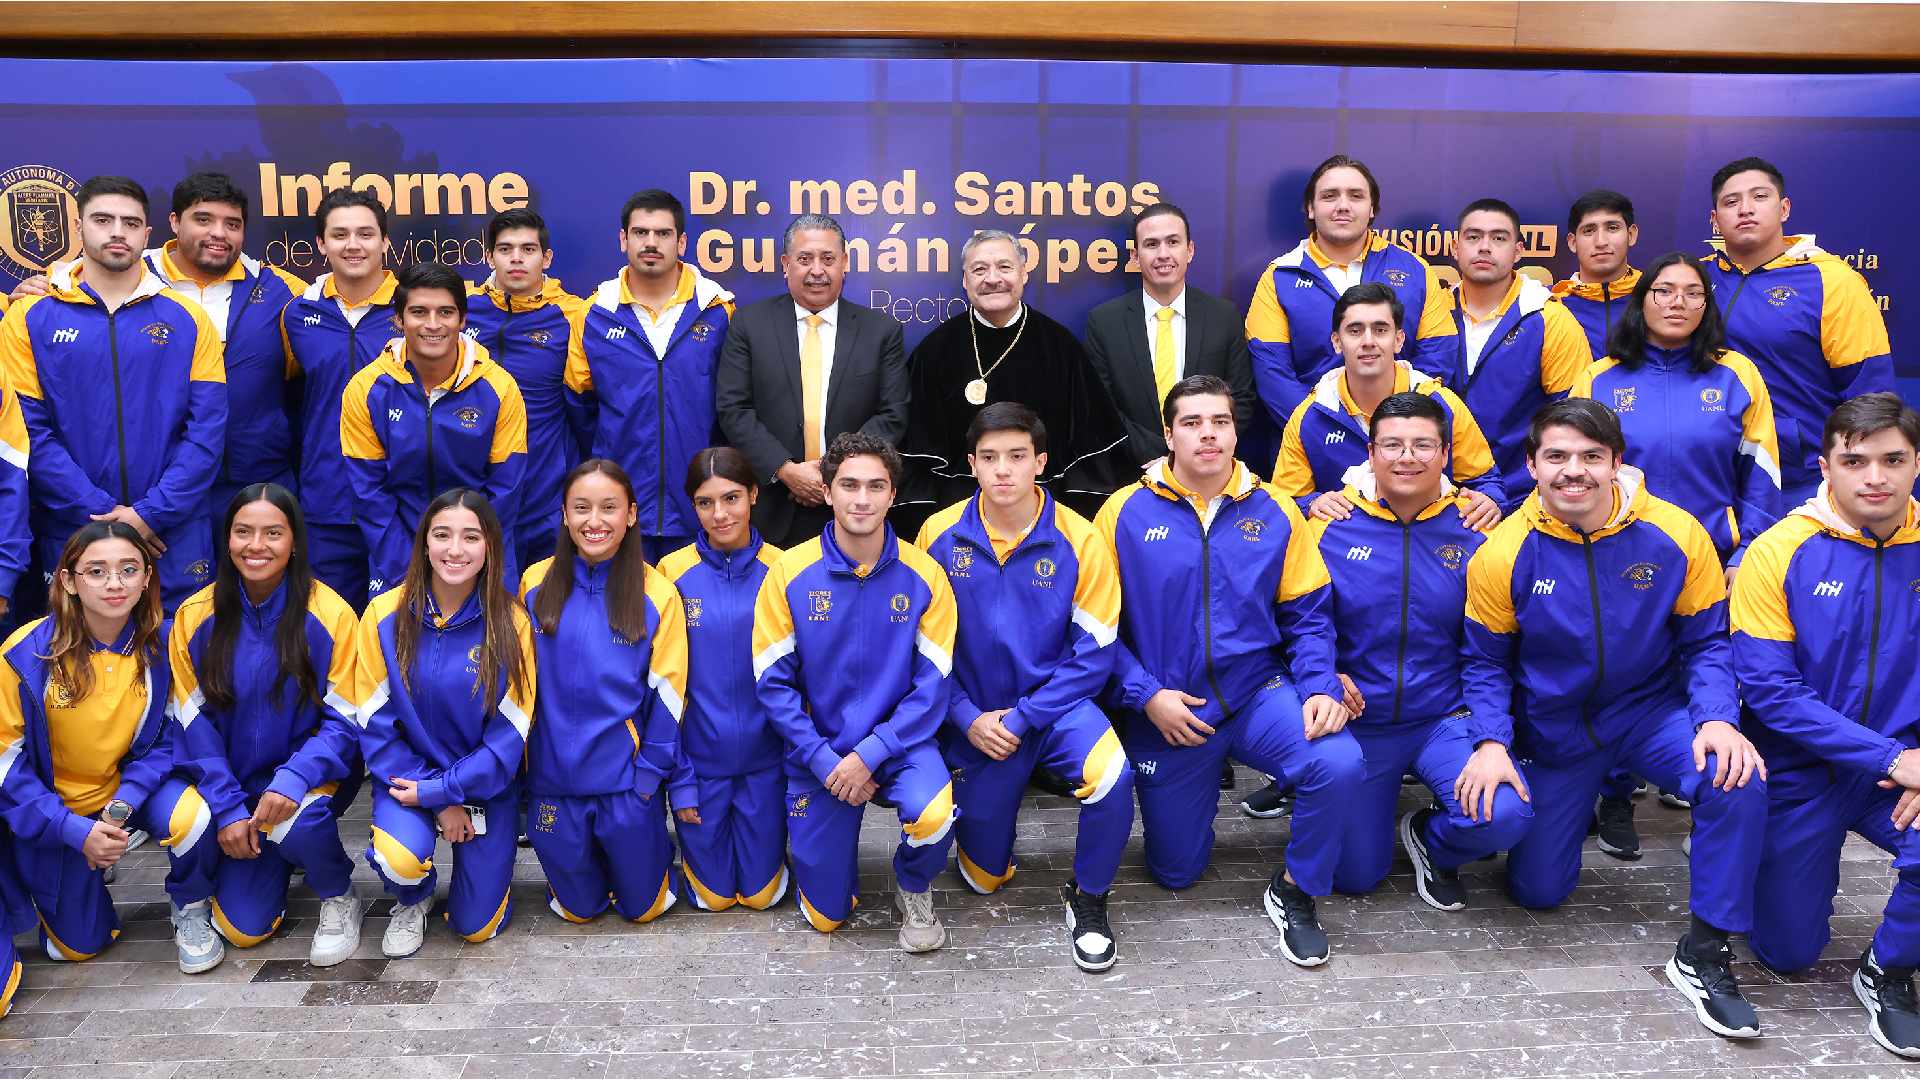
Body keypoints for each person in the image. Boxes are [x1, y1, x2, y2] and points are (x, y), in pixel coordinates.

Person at [1462, 398, 1768, 1039]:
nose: (1574, 471)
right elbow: (1486, 663)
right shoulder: (1502, 552)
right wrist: (1491, 741)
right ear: (1531, 465)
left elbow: (1707, 642)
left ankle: (1705, 951)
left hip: (1650, 714)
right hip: (1556, 731)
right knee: (1539, 892)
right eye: (1557, 456)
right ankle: (1540, 819)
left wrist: (1717, 717)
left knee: (1734, 775)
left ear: (1616, 462)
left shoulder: (1676, 533)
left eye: (1591, 456)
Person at [1094, 374, 1360, 968]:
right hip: (1171, 709)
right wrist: (1145, 695)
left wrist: (1320, 685)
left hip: (1256, 693)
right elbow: (1095, 628)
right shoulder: (1123, 512)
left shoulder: (1277, 509)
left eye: (1220, 421)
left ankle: (1295, 890)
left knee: (1338, 760)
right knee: (1176, 872)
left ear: (1236, 432)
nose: (1207, 434)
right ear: (1169, 436)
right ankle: (1189, 812)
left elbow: (1309, 615)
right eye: (1191, 423)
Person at [1732, 393, 1920, 1059]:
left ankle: (1889, 970)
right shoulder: (1778, 551)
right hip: (1800, 771)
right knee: (1787, 953)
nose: (1876, 477)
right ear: (1825, 467)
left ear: (1917, 463)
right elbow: (1771, 692)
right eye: (1855, 461)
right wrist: (1891, 757)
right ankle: (1759, 859)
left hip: (1897, 774)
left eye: (1893, 460)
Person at [916, 402, 1134, 972]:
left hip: (1054, 711)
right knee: (983, 879)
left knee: (1114, 775)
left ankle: (1089, 897)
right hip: (977, 721)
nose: (1003, 470)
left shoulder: (1081, 539)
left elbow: (1096, 653)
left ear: (1041, 462)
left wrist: (1024, 717)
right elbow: (922, 649)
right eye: (989, 457)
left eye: (1017, 456)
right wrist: (966, 717)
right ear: (971, 464)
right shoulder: (938, 534)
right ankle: (987, 845)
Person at [1305, 392, 1532, 909]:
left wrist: (1492, 739)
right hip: (1361, 722)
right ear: (1370, 453)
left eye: (1423, 445)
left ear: (1446, 453)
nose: (1407, 457)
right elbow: (1299, 621)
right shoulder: (1328, 526)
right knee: (1354, 877)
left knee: (1504, 814)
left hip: (1444, 717)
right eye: (1392, 445)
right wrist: (1324, 675)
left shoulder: (1477, 528)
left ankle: (1432, 838)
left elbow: (1495, 650)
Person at [752, 432, 957, 951]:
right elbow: (773, 686)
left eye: (875, 486)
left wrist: (871, 754)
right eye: (849, 485)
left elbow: (933, 686)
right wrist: (825, 760)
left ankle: (913, 886)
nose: (861, 499)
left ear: (893, 494)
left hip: (900, 746)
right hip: (819, 754)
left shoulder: (926, 575)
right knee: (826, 917)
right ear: (826, 492)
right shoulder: (788, 572)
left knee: (935, 814)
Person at [0, 522, 219, 972]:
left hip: (129, 793)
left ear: (147, 577)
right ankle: (80, 870)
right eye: (96, 571)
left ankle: (191, 906)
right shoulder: (23, 653)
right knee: (76, 948)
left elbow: (171, 737)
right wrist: (71, 830)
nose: (115, 583)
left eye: (129, 569)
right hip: (55, 810)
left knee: (194, 816)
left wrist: (123, 804)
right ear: (68, 580)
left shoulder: (164, 643)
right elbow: (7, 761)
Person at [0, 175, 225, 609]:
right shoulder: (28, 316)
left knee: (180, 648)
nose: (118, 232)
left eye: (131, 223)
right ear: (78, 226)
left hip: (170, 533)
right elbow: (27, 433)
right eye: (103, 220)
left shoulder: (190, 318)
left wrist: (149, 514)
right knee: (76, 649)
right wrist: (105, 517)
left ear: (148, 233)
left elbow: (207, 431)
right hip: (74, 528)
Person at [165, 484, 365, 966]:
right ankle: (232, 864)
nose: (256, 546)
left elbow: (344, 719)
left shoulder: (331, 613)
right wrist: (228, 807)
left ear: (294, 542)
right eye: (243, 532)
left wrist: (295, 777)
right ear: (227, 539)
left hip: (307, 781)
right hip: (230, 786)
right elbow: (192, 722)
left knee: (302, 823)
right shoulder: (194, 616)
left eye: (273, 533)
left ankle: (338, 893)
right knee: (244, 930)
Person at [348, 489, 535, 956]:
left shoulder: (511, 621)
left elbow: (510, 735)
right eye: (442, 535)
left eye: (471, 537)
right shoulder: (383, 615)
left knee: (477, 927)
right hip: (408, 783)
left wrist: (449, 790)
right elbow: (375, 726)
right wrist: (434, 796)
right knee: (399, 859)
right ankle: (413, 897)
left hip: (483, 788)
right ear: (424, 543)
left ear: (490, 547)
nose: (455, 549)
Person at [521, 459, 689, 924]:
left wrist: (647, 780)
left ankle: (650, 853)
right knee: (578, 911)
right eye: (581, 508)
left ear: (631, 514)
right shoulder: (533, 584)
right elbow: (517, 689)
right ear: (564, 515)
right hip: (553, 783)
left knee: (644, 909)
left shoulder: (658, 593)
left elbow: (669, 694)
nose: (594, 521)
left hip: (626, 785)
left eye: (608, 508)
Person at [898, 228, 1129, 533]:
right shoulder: (935, 350)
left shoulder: (1060, 347)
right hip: (958, 519)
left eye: (1004, 267)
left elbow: (1090, 451)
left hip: (1044, 515)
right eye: (979, 270)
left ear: (1023, 274)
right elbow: (918, 457)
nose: (992, 278)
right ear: (965, 280)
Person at [1702, 156, 1892, 504]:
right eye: (1731, 202)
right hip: (1711, 476)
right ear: (1715, 220)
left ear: (1784, 208)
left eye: (1760, 196)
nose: (1745, 209)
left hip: (1799, 481)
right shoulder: (1693, 280)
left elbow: (1870, 394)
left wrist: (1858, 480)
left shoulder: (1833, 281)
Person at [717, 215, 909, 548]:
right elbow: (734, 409)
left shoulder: (881, 331)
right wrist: (786, 470)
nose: (817, 270)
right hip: (772, 505)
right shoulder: (749, 324)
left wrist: (834, 473)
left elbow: (893, 414)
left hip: (853, 506)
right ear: (785, 264)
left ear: (844, 263)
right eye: (805, 259)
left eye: (828, 259)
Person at [565, 189, 734, 563]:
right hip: (618, 508)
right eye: (641, 232)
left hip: (699, 502)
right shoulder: (593, 315)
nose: (651, 243)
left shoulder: (719, 310)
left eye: (663, 233)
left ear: (682, 243)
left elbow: (732, 407)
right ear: (623, 239)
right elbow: (580, 409)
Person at [340, 261, 529, 594]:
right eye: (418, 312)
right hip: (396, 559)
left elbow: (505, 490)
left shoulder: (499, 388)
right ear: (399, 319)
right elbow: (369, 493)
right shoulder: (366, 389)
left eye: (445, 312)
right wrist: (410, 570)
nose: (432, 324)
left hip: (482, 556)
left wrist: (466, 562)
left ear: (463, 319)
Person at [657, 448, 788, 911]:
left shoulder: (784, 569)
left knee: (761, 896)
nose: (720, 514)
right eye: (705, 502)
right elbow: (662, 687)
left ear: (753, 495)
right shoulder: (671, 573)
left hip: (767, 764)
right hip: (700, 767)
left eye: (731, 498)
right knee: (713, 899)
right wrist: (680, 779)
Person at [1246, 154, 1459, 430]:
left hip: (1401, 440)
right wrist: (1323, 432)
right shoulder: (1279, 276)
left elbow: (1438, 357)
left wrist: (1394, 429)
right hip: (1312, 442)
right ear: (1310, 208)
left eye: (1356, 196)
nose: (1343, 206)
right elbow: (1273, 374)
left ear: (1372, 208)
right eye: (1330, 196)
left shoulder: (1415, 270)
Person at [1271, 282, 1505, 523]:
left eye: (1380, 330)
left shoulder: (1441, 405)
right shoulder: (1311, 415)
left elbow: (1486, 482)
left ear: (1399, 340)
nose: (1368, 341)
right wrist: (1310, 504)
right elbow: (1285, 502)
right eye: (1355, 331)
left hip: (1431, 540)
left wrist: (1489, 500)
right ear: (1337, 342)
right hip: (1346, 543)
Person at [281, 188, 401, 609]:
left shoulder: (415, 309)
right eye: (340, 234)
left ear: (385, 242)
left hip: (398, 502)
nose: (353, 245)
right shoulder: (297, 314)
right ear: (321, 244)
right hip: (325, 505)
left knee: (397, 629)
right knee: (329, 628)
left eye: (366, 234)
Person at [1445, 198, 1593, 512]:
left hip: (1520, 501)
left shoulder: (1549, 318)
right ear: (1455, 248)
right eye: (1473, 237)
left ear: (1518, 251)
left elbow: (1574, 423)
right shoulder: (1433, 314)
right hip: (1435, 498)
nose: (1485, 247)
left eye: (1499, 238)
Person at [1084, 202, 1257, 467]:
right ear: (1135, 255)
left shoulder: (1224, 317)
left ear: (1190, 250)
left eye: (1173, 242)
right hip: (1132, 471)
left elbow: (1241, 399)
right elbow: (1100, 407)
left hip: (1207, 468)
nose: (1163, 254)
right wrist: (1160, 459)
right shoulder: (1104, 322)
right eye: (1151, 244)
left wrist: (1186, 455)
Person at [467, 208, 587, 574]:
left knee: (545, 600)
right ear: (490, 257)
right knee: (488, 602)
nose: (516, 258)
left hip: (546, 493)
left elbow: (589, 404)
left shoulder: (575, 315)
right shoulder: (462, 310)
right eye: (505, 249)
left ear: (546, 258)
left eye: (528, 249)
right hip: (477, 490)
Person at [1552, 189, 1642, 358]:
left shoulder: (1656, 298)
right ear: (1572, 242)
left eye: (1612, 228)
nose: (1601, 242)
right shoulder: (1548, 304)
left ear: (1631, 235)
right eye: (1588, 230)